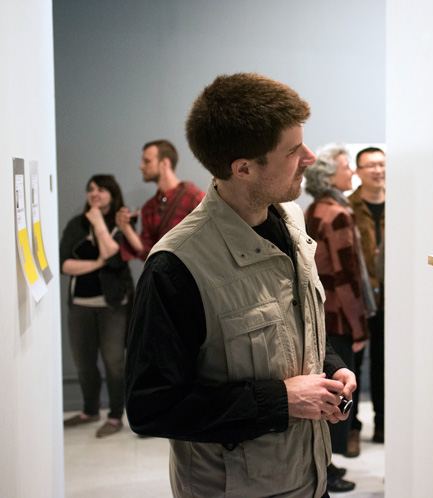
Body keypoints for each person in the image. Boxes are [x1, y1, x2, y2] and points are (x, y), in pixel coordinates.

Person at [125, 73, 356, 498]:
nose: (309, 157)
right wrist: (280, 401)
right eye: (293, 150)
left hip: (310, 478)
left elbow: (290, 320)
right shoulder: (177, 266)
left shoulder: (290, 219)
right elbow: (150, 406)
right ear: (243, 168)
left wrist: (330, 364)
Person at [304, 143, 375, 493]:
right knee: (338, 396)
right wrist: (360, 326)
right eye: (347, 166)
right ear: (330, 174)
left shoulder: (316, 208)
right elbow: (347, 279)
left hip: (322, 316)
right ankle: (326, 469)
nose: (352, 172)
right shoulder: (339, 214)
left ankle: (326, 466)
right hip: (340, 320)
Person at [60, 174, 134, 438]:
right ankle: (89, 411)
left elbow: (115, 259)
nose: (94, 193)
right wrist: (97, 263)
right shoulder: (75, 225)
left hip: (113, 305)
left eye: (101, 189)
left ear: (112, 195)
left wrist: (99, 224)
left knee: (114, 362)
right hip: (80, 305)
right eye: (91, 189)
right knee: (83, 362)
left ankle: (115, 416)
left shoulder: (123, 225)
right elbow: (64, 265)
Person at [348, 146, 386, 454]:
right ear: (358, 171)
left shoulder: (398, 205)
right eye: (370, 165)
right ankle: (352, 428)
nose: (377, 170)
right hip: (358, 301)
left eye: (381, 164)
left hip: (391, 299)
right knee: (355, 365)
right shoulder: (347, 208)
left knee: (387, 364)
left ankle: (385, 423)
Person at [115, 139, 204, 261]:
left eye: (147, 161)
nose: (141, 166)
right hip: (165, 276)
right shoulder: (149, 207)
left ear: (165, 163)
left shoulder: (193, 196)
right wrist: (125, 227)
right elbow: (147, 252)